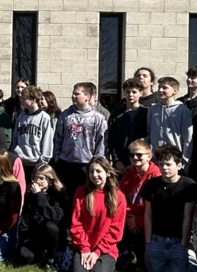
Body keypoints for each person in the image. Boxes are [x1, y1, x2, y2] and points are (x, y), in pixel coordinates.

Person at [141, 145, 197, 272]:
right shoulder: (151, 185)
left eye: (168, 164)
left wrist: (183, 242)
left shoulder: (189, 186)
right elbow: (148, 214)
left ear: (179, 165)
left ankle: (192, 262)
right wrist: (148, 241)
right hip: (156, 239)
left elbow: (188, 216)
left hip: (177, 241)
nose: (164, 168)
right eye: (161, 164)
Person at [70, 157, 127, 272]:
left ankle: (106, 264)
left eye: (98, 171)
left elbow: (116, 231)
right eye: (91, 171)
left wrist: (97, 252)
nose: (94, 175)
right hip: (83, 245)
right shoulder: (81, 192)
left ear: (108, 173)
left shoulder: (119, 197)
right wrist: (84, 249)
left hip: (105, 249)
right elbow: (76, 224)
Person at [53, 82, 108, 211]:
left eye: (77, 94)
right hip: (65, 162)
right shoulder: (65, 115)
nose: (73, 96)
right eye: (73, 93)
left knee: (85, 198)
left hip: (86, 164)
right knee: (65, 197)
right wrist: (57, 157)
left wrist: (97, 163)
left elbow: (102, 142)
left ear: (88, 97)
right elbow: (57, 138)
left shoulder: (98, 118)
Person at [117, 139, 161, 271]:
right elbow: (119, 199)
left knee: (145, 264)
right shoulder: (129, 175)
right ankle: (124, 254)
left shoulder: (156, 176)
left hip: (147, 221)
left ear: (149, 156)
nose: (135, 158)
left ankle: (140, 259)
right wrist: (130, 218)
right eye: (132, 155)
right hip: (129, 218)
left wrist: (138, 221)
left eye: (139, 155)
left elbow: (157, 209)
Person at [16, 163, 65, 272]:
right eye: (35, 178)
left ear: (50, 180)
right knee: (24, 256)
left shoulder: (57, 194)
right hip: (34, 236)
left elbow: (53, 217)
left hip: (51, 237)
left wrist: (39, 195)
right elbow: (26, 217)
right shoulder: (30, 194)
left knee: (50, 226)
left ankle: (50, 259)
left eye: (41, 178)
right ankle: (40, 256)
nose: (37, 181)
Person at [146, 77, 194, 170]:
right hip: (155, 159)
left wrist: (185, 159)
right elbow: (150, 131)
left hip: (175, 158)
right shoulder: (152, 109)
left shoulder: (182, 110)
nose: (160, 90)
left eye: (164, 88)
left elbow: (188, 137)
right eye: (159, 87)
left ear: (175, 91)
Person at [108, 79, 149, 173]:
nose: (130, 95)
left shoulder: (146, 113)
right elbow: (111, 139)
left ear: (141, 93)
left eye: (134, 92)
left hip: (141, 161)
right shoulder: (117, 113)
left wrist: (138, 161)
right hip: (120, 163)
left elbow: (149, 138)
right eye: (128, 92)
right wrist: (116, 160)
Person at [10, 85, 54, 173]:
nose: (21, 100)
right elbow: (15, 139)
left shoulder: (44, 118)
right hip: (20, 161)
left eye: (24, 98)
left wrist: (42, 162)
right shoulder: (21, 117)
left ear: (33, 100)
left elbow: (47, 142)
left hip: (36, 163)